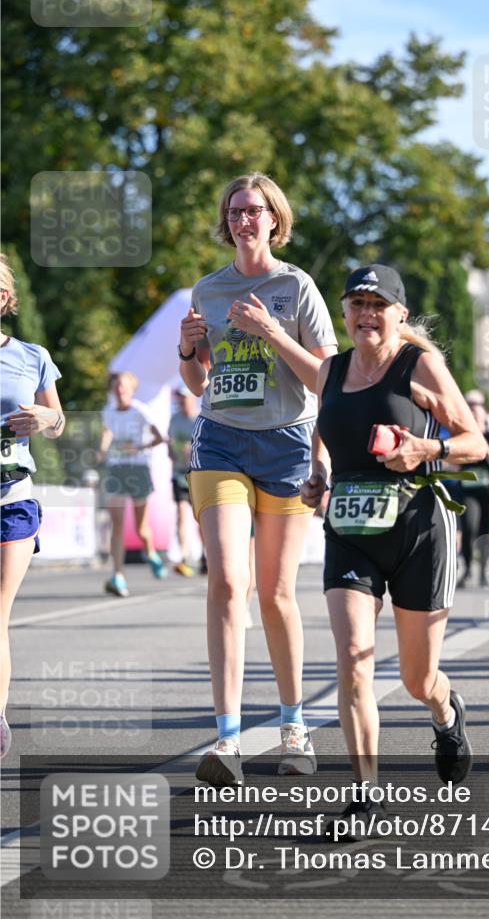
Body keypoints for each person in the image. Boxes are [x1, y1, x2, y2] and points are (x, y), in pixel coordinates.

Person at [301, 264, 486, 837]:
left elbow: (475, 443)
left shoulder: (419, 365)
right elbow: (326, 431)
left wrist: (425, 449)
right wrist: (319, 474)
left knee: (415, 676)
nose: (365, 314)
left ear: (399, 315)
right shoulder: (332, 370)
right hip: (350, 530)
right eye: (356, 303)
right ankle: (364, 794)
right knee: (354, 657)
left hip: (416, 530)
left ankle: (445, 710)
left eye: (377, 304)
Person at [179, 172, 337, 786]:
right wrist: (190, 350)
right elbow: (200, 385)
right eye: (235, 211)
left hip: (287, 444)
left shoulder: (295, 286)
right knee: (227, 579)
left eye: (254, 210)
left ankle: (295, 727)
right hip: (220, 439)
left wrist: (270, 332)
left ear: (275, 218)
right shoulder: (208, 289)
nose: (244, 220)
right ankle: (226, 740)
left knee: (273, 591)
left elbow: (327, 378)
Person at [0, 253, 65, 758]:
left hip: (12, 495)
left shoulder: (31, 355)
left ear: (4, 299)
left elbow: (59, 421)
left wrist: (44, 418)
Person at [98, 371, 167, 597]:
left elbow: (159, 437)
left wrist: (139, 448)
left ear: (131, 389)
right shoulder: (107, 411)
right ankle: (118, 575)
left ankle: (152, 554)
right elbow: (107, 432)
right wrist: (102, 449)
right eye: (116, 386)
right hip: (116, 469)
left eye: (124, 387)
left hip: (138, 469)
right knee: (116, 524)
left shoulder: (140, 410)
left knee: (141, 529)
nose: (120, 390)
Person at [458, 393, 489, 588]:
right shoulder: (462, 438)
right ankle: (468, 568)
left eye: (478, 417)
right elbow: (451, 465)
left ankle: (484, 571)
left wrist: (483, 446)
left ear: (484, 418)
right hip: (469, 491)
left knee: (485, 532)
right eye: (472, 417)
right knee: (469, 527)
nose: (475, 420)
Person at [168, 385, 202, 577]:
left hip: (198, 474)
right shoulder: (174, 420)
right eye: (178, 399)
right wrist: (173, 452)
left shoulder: (200, 418)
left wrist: (192, 448)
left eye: (184, 398)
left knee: (201, 519)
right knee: (181, 514)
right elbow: (170, 444)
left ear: (192, 398)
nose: (181, 402)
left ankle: (206, 555)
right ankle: (184, 557)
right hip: (179, 473)